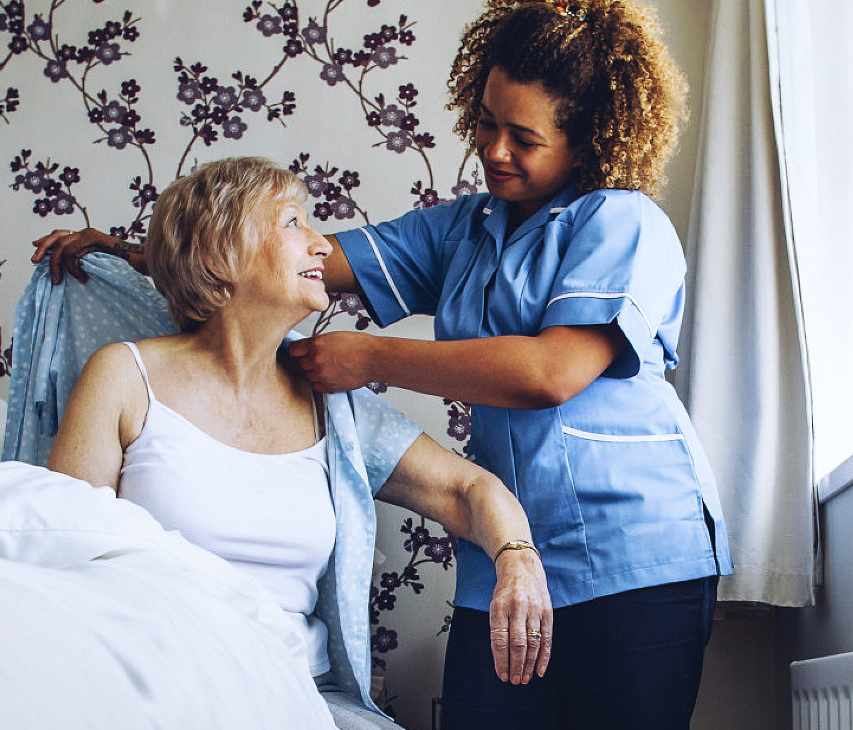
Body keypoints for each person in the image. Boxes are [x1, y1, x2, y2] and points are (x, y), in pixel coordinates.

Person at [34, 2, 731, 725]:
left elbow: (549, 373)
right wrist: (145, 253)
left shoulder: (624, 223)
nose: (493, 150)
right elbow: (289, 256)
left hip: (633, 549)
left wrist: (368, 356)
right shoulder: (462, 231)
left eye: (523, 137)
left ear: (585, 141)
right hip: (501, 556)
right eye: (487, 123)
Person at [43, 156, 554, 730]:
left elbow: (468, 489)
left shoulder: (331, 407)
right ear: (219, 253)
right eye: (293, 223)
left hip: (298, 694)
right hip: (154, 683)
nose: (320, 246)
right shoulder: (123, 376)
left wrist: (517, 559)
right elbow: (59, 552)